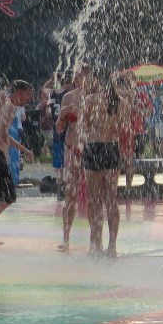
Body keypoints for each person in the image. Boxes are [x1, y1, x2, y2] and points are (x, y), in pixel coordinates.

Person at [81, 70, 130, 257]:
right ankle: (112, 246)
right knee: (112, 199)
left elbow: (84, 126)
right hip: (111, 148)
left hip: (94, 148)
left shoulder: (90, 100)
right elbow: (122, 129)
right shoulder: (122, 102)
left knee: (94, 200)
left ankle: (95, 244)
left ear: (97, 81)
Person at [55, 64, 91, 251]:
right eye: (77, 75)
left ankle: (95, 239)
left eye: (83, 75)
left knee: (94, 195)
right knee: (70, 194)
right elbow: (59, 129)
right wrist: (62, 116)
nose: (79, 79)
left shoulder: (96, 98)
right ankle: (66, 237)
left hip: (91, 149)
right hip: (72, 147)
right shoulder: (68, 97)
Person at [0, 81, 35, 244]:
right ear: (18, 92)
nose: (28, 99)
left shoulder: (4, 103)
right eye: (27, 94)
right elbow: (2, 134)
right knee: (8, 196)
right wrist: (23, 149)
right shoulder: (10, 106)